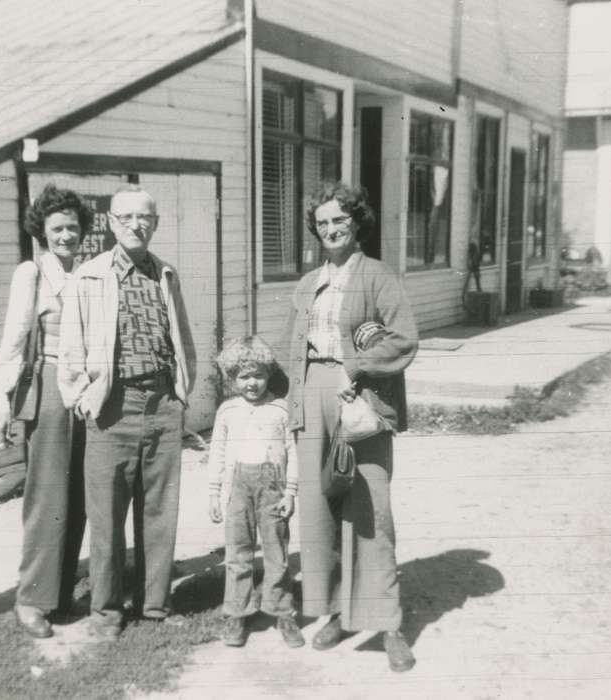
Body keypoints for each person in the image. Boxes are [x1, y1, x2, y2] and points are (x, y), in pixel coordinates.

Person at [282, 182, 419, 672]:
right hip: (312, 395)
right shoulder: (307, 283)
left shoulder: (379, 276)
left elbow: (404, 340)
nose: (331, 229)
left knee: (370, 509)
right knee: (320, 510)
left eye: (339, 219)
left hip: (360, 398)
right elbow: (293, 350)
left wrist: (355, 367)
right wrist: (292, 408)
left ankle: (389, 625)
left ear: (357, 221)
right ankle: (338, 613)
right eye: (322, 223)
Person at [58, 184, 196, 641]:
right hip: (111, 409)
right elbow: (70, 346)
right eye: (127, 218)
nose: (137, 225)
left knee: (160, 511)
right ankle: (107, 612)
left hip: (161, 405)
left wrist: (180, 392)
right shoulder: (90, 276)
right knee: (106, 516)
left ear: (155, 224)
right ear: (112, 224)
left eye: (145, 218)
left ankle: (155, 605)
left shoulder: (166, 274)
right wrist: (82, 395)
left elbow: (183, 340)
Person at [0, 184, 91, 639]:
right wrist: (0, 401)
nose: (66, 235)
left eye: (72, 227)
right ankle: (31, 599)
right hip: (48, 388)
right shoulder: (32, 274)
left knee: (80, 496)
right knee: (47, 496)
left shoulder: (89, 273)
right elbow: (13, 340)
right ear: (42, 232)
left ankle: (62, 594)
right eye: (57, 229)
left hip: (86, 391)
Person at [207, 335, 304, 649]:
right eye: (244, 377)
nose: (252, 383)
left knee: (276, 551)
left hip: (272, 485)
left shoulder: (280, 409)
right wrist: (213, 493)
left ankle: (282, 610)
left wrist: (290, 492)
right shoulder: (226, 412)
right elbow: (218, 454)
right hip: (238, 486)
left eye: (259, 376)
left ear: (269, 375)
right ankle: (238, 611)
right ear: (233, 378)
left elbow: (293, 451)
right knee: (238, 551)